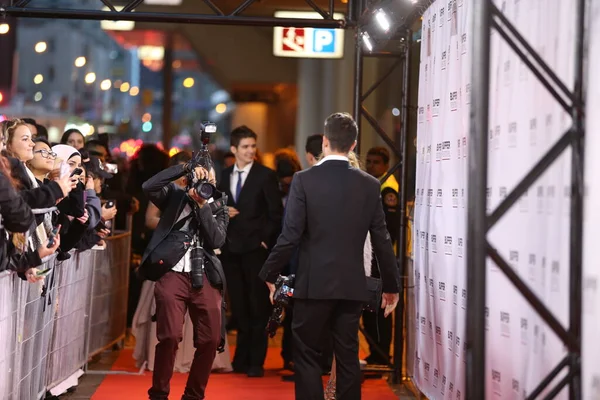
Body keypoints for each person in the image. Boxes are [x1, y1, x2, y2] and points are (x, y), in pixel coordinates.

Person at [259, 112, 400, 400]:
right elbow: (382, 239)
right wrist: (391, 286)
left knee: (308, 353)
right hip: (352, 285)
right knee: (347, 354)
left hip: (314, 284)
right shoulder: (370, 184)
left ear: (324, 142)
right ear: (353, 145)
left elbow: (290, 237)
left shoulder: (303, 180)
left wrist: (268, 273)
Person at [140, 160, 229, 400]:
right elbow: (149, 186)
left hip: (206, 276)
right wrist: (184, 167)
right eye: (200, 178)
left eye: (208, 180)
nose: (204, 183)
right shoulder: (174, 197)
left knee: (210, 339)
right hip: (173, 274)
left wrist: (203, 206)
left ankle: (193, 395)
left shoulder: (219, 204)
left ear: (215, 182)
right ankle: (159, 394)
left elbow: (216, 240)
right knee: (169, 336)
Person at [217, 126, 283, 377]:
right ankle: (241, 358)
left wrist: (264, 241)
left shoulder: (266, 175)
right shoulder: (223, 175)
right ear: (234, 149)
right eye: (245, 147)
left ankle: (256, 361)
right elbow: (214, 209)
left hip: (256, 250)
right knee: (240, 307)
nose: (250, 151)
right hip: (230, 249)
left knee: (258, 307)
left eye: (253, 146)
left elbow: (275, 214)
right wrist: (222, 212)